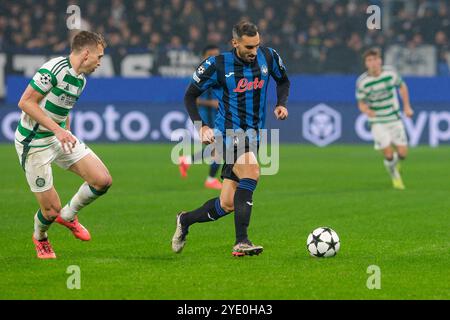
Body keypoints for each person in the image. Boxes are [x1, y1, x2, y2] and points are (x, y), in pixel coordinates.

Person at [172, 21, 290, 256]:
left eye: (257, 45)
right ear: (235, 43)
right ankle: (241, 242)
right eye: (248, 47)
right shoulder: (216, 64)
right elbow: (190, 95)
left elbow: (283, 80)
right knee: (252, 171)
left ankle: (185, 220)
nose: (254, 51)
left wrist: (280, 104)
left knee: (226, 204)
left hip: (254, 135)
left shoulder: (269, 57)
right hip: (227, 133)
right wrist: (201, 126)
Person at [15, 31, 112, 259]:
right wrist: (58, 130)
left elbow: (63, 109)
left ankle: (68, 215)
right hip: (34, 142)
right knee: (50, 211)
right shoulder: (53, 69)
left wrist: (65, 131)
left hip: (58, 137)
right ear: (86, 53)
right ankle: (40, 237)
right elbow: (25, 102)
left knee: (102, 180)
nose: (100, 62)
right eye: (99, 56)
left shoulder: (80, 80)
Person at [356, 48, 414, 190]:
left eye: (376, 59)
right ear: (366, 64)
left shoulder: (390, 73)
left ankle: (395, 164)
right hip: (377, 121)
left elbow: (402, 87)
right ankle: (395, 177)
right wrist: (367, 111)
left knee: (402, 153)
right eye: (370, 60)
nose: (374, 63)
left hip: (394, 117)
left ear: (380, 60)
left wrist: (407, 107)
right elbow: (361, 103)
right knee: (388, 154)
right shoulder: (362, 82)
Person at [178, 44, 223, 190]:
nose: (214, 58)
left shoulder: (219, 72)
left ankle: (188, 160)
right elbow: (191, 98)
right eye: (210, 55)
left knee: (218, 148)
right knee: (220, 147)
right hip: (206, 117)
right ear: (203, 57)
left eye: (216, 55)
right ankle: (210, 179)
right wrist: (212, 103)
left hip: (217, 115)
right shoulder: (200, 75)